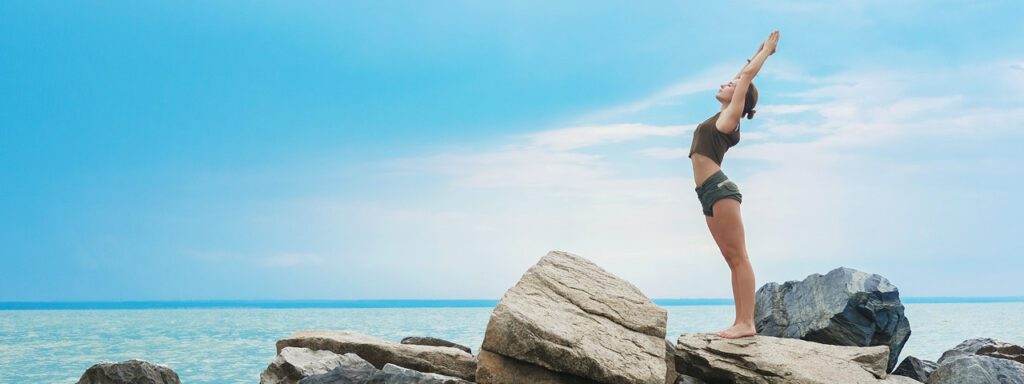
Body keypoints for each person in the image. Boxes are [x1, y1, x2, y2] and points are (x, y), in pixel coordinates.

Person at [687, 30, 779, 339]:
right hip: (707, 194)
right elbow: (743, 75)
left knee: (739, 257)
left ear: (739, 97)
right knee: (731, 259)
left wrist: (765, 53)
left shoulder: (729, 120)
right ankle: (740, 322)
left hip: (720, 189)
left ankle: (746, 324)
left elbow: (746, 78)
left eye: (732, 85)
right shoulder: (722, 115)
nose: (727, 83)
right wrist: (757, 51)